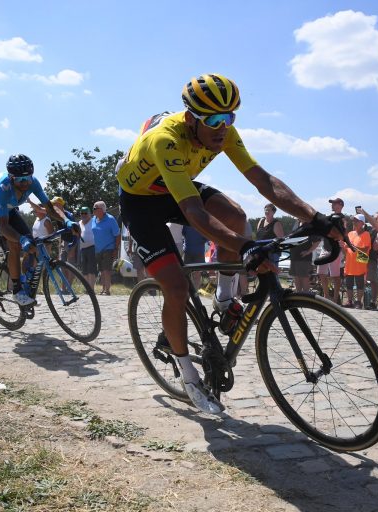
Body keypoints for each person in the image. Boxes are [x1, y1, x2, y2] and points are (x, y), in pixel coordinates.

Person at [116, 73, 343, 414]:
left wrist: (315, 218)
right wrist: (244, 247)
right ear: (191, 118)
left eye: (230, 117)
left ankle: (224, 299)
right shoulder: (166, 140)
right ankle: (189, 376)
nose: (223, 127)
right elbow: (193, 211)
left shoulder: (223, 132)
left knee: (236, 216)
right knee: (176, 288)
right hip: (140, 202)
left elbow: (262, 179)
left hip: (172, 187)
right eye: (215, 120)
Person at [0, 154, 72, 306]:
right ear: (12, 177)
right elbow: (4, 226)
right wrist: (21, 239)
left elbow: (50, 208)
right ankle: (17, 291)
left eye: (28, 177)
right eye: (20, 179)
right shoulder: (3, 188)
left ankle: (25, 278)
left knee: (32, 243)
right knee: (14, 244)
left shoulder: (32, 182)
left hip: (8, 208)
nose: (25, 182)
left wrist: (67, 221)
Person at [316, 198, 346, 303]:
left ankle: (334, 298)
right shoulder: (329, 217)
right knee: (321, 273)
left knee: (335, 275)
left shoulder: (342, 219)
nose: (332, 205)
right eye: (332, 203)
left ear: (340, 205)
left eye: (334, 203)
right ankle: (326, 296)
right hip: (325, 247)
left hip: (335, 249)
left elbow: (342, 234)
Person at [91, 201, 120, 296]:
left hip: (109, 248)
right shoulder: (93, 219)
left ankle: (107, 290)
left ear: (102, 210)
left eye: (96, 208)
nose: (93, 210)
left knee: (106, 269)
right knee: (101, 270)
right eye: (93, 208)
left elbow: (117, 235)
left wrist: (116, 249)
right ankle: (103, 289)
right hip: (98, 249)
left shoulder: (110, 219)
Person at [343, 214, 371, 308]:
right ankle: (350, 301)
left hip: (360, 262)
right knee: (349, 283)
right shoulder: (350, 233)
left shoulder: (366, 234)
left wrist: (351, 246)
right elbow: (345, 250)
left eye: (356, 220)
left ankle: (359, 302)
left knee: (359, 284)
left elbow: (365, 249)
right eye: (353, 220)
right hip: (349, 262)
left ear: (362, 223)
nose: (354, 222)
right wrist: (343, 247)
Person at [182, 224, 207, 289]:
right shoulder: (202, 223)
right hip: (196, 251)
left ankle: (192, 292)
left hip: (190, 251)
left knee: (188, 274)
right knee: (195, 275)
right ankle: (194, 293)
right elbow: (207, 237)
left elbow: (183, 233)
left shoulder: (185, 223)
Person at [77, 206, 97, 289]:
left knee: (91, 269)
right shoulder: (79, 223)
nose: (84, 215)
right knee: (84, 269)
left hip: (92, 247)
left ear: (90, 214)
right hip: (82, 248)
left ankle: (91, 288)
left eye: (86, 213)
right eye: (82, 213)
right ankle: (87, 288)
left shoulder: (94, 221)